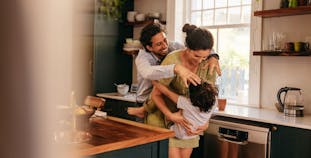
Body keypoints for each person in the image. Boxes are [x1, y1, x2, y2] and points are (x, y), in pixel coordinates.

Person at [148, 23, 217, 158]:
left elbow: (211, 99)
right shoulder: (172, 60)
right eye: (197, 56)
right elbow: (156, 94)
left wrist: (206, 122)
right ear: (187, 48)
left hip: (189, 128)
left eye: (205, 57)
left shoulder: (209, 64)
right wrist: (170, 115)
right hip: (167, 122)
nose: (201, 61)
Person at [128, 23, 220, 118]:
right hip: (145, 100)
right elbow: (147, 73)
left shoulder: (174, 46)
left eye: (165, 40)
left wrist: (213, 56)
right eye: (159, 44)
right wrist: (176, 68)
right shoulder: (142, 57)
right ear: (149, 47)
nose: (165, 46)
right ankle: (143, 110)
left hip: (165, 99)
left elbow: (198, 46)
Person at [151, 80, 217, 158]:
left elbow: (167, 93)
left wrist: (154, 82)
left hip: (177, 133)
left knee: (173, 117)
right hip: (192, 135)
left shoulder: (186, 103)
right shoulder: (214, 103)